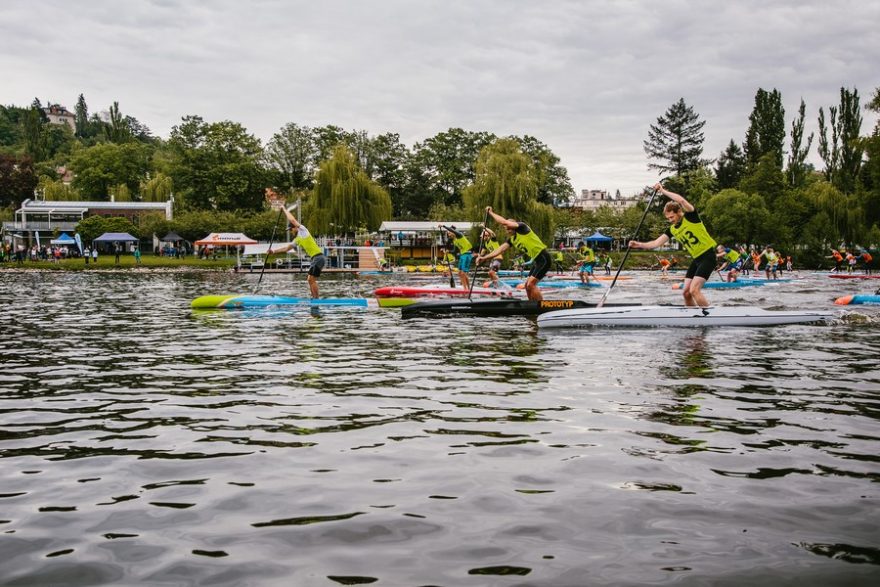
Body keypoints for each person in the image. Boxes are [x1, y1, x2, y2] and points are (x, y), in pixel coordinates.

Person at [629, 183, 717, 309]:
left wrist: (662, 190)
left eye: (672, 216)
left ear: (679, 212)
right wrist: (638, 244)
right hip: (697, 259)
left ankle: (709, 316)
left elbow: (681, 200)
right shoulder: (672, 229)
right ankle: (692, 316)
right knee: (686, 293)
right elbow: (656, 243)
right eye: (668, 218)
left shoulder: (691, 216)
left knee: (694, 290)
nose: (670, 220)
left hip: (708, 256)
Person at [476, 206, 551, 301]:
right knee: (527, 286)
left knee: (531, 284)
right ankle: (531, 305)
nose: (507, 231)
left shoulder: (522, 228)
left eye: (509, 228)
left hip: (543, 258)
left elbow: (503, 222)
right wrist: (484, 258)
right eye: (506, 229)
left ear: (514, 226)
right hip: (537, 261)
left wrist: (490, 212)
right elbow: (499, 250)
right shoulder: (511, 240)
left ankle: (541, 306)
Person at [269, 206, 326, 298]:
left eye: (291, 229)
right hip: (315, 258)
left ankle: (316, 299)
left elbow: (292, 220)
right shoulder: (297, 239)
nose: (291, 231)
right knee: (310, 279)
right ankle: (314, 299)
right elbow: (287, 249)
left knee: (311, 279)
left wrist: (284, 209)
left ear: (295, 227)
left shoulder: (303, 231)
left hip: (318, 257)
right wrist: (273, 251)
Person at [441, 225, 474, 290]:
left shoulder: (459, 235)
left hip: (467, 255)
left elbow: (452, 230)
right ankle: (467, 288)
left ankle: (466, 289)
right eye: (448, 234)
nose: (449, 235)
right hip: (462, 255)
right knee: (459, 273)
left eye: (450, 233)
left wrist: (443, 226)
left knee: (463, 273)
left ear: (453, 232)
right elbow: (454, 251)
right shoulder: (454, 241)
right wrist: (448, 251)